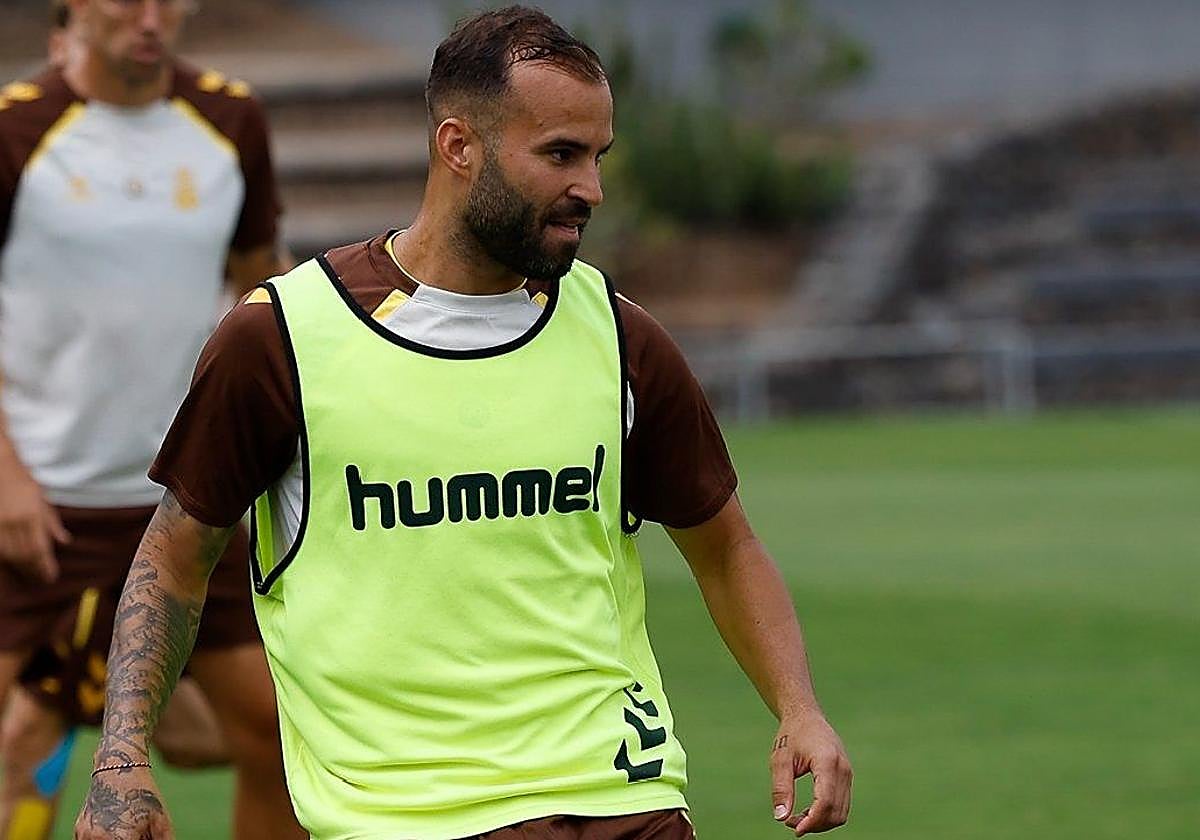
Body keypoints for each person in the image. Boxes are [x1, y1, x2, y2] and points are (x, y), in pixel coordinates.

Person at [75, 6, 853, 839]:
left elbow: (727, 546)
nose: (588, 187)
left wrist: (798, 707)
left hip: (624, 799)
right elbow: (174, 559)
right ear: (458, 146)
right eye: (559, 153)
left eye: (597, 157)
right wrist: (122, 758)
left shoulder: (620, 336)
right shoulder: (283, 339)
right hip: (405, 819)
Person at [0, 0, 305, 837]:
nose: (151, 17)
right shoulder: (15, 130)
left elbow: (259, 289)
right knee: (19, 746)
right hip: (38, 511)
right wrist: (7, 477)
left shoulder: (229, 120)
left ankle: (110, 702)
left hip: (184, 508)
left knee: (279, 740)